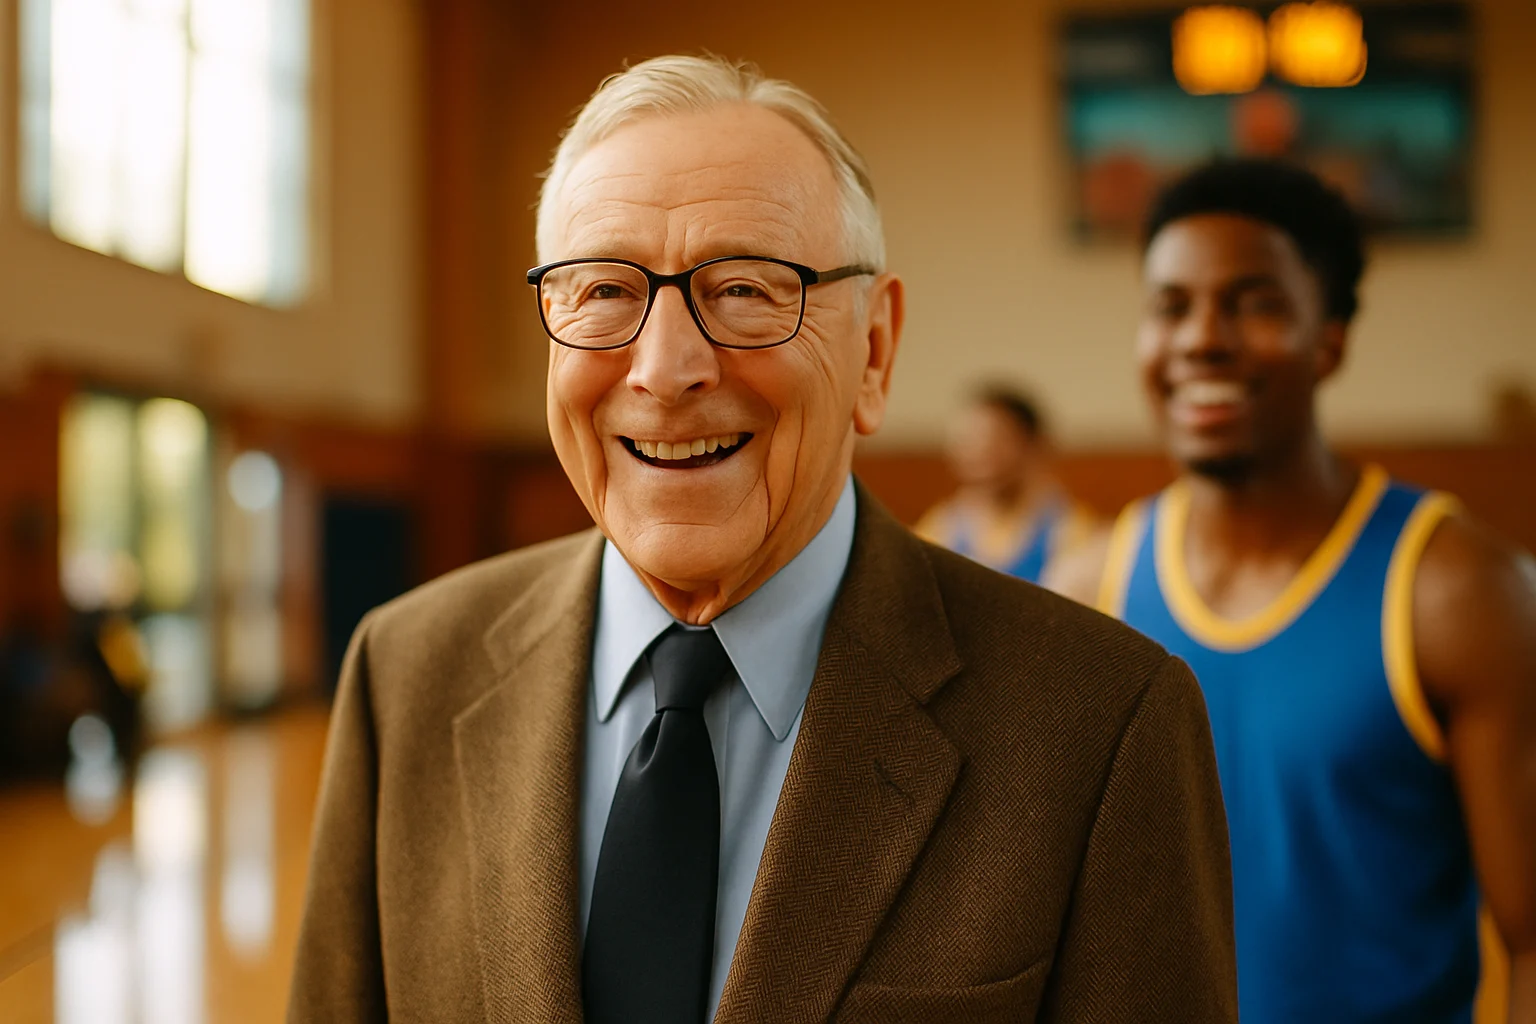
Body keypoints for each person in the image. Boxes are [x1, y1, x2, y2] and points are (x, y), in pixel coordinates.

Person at [289, 56, 1237, 1024]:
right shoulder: (406, 672)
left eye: (746, 288)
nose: (664, 368)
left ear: (875, 349)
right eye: (604, 291)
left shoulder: (1102, 722)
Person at [1047, 159, 1536, 1024]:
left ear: (1330, 339)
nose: (1202, 338)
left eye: (1254, 302)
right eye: (1170, 306)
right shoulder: (1089, 594)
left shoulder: (1457, 591)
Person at [916, 387, 1095, 583]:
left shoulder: (1068, 529)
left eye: (994, 439)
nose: (979, 452)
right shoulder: (940, 528)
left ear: (1032, 446)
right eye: (968, 441)